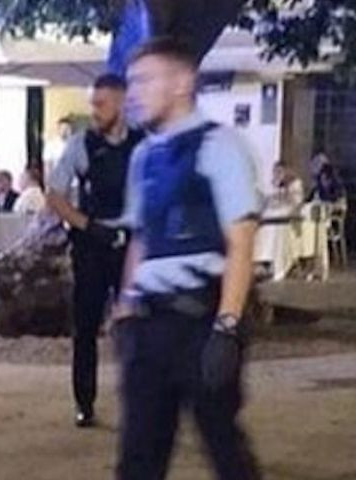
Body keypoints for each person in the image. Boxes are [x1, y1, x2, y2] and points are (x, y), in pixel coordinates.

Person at [113, 37, 261, 479]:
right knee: (138, 455)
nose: (134, 92)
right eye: (130, 82)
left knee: (223, 447)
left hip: (202, 319)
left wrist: (227, 327)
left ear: (182, 82)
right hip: (149, 323)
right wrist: (125, 307)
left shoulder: (222, 146)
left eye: (144, 79)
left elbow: (241, 240)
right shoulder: (144, 156)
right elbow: (142, 238)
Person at [47, 72, 146, 428]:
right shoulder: (80, 145)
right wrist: (88, 226)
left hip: (130, 245)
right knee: (85, 328)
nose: (95, 110)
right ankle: (84, 403)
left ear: (121, 102)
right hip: (91, 246)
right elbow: (54, 195)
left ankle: (138, 402)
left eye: (101, 104)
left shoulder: (143, 144)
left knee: (135, 326)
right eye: (94, 103)